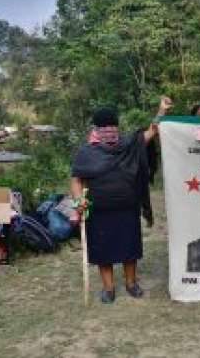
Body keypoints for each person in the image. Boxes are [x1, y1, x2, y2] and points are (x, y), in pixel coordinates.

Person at [70, 97, 172, 303]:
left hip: (127, 208)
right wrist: (78, 201)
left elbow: (152, 131)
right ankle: (108, 289)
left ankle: (131, 283)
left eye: (112, 127)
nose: (109, 131)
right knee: (103, 251)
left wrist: (161, 111)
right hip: (98, 211)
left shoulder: (129, 145)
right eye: (104, 128)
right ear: (96, 130)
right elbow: (76, 180)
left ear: (117, 127)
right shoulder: (86, 153)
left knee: (129, 249)